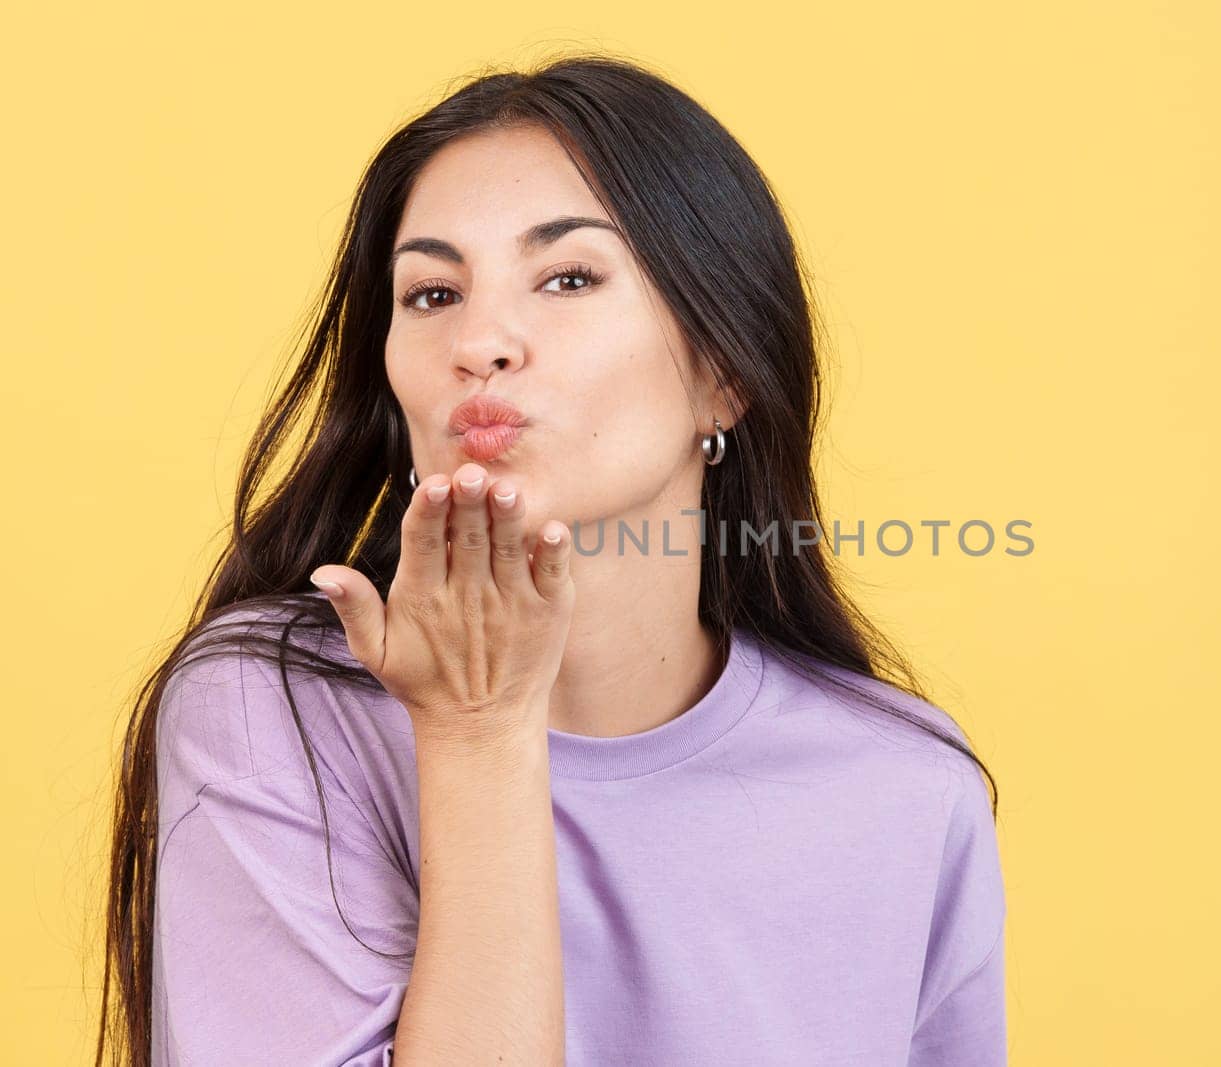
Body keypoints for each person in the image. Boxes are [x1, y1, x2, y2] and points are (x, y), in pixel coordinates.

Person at [99, 52, 1005, 1066]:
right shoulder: (275, 707)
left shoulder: (904, 788)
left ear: (725, 375)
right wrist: (477, 733)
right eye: (432, 293)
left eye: (568, 277)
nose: (481, 340)